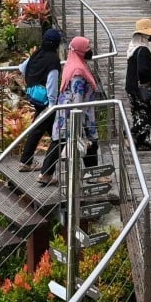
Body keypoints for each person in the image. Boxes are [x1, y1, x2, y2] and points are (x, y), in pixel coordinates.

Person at [39, 36, 101, 185]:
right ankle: (91, 175)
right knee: (91, 140)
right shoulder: (78, 70)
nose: (89, 50)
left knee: (59, 141)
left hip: (65, 111)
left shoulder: (72, 63)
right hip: (78, 111)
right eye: (87, 48)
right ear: (80, 50)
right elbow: (77, 94)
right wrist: (80, 117)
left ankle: (45, 174)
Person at [17, 28, 64, 171]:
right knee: (43, 130)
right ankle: (28, 163)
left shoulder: (37, 53)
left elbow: (22, 68)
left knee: (52, 128)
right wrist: (52, 105)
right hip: (46, 102)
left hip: (34, 96)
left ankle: (62, 152)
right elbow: (52, 84)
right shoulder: (53, 60)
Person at [125, 18, 151, 151]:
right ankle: (131, 135)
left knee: (138, 115)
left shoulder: (133, 48)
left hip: (132, 88)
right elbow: (142, 71)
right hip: (142, 89)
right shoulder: (143, 50)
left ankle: (142, 143)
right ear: (144, 35)